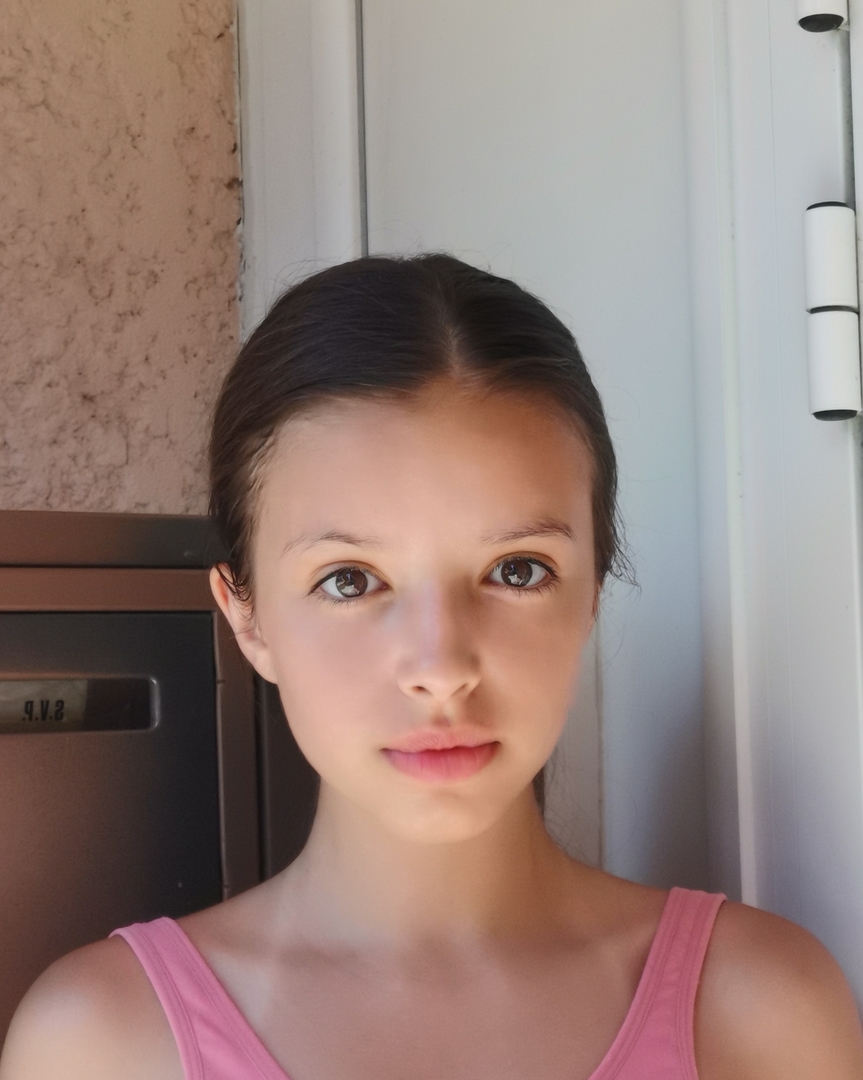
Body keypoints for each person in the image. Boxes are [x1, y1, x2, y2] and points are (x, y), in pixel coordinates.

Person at [2, 254, 862, 1080]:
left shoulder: (761, 1011)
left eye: (516, 570)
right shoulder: (100, 1046)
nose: (440, 667)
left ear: (591, 595)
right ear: (246, 618)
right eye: (349, 580)